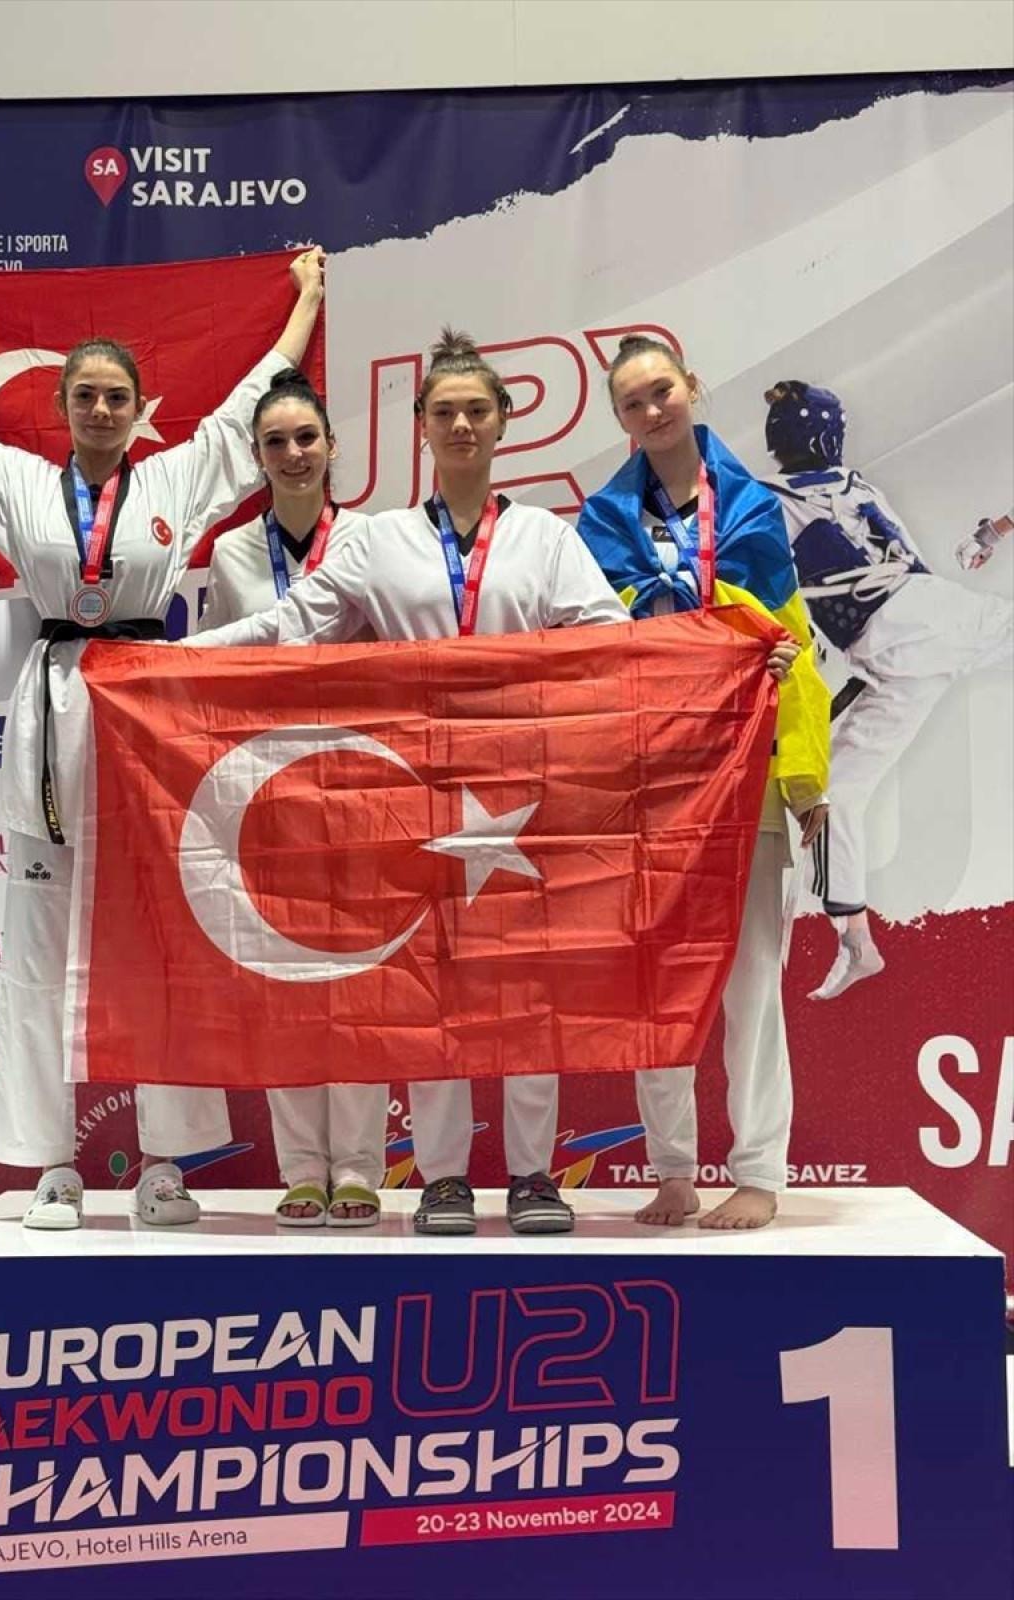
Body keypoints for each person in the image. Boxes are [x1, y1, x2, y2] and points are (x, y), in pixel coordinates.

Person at [0, 251, 326, 1230]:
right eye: (86, 396)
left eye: (117, 396)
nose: (102, 410)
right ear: (62, 407)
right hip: (52, 712)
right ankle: (53, 1165)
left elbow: (251, 402)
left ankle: (166, 1163)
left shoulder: (177, 475)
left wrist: (305, 302)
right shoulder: (20, 482)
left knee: (157, 939)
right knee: (39, 942)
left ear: (142, 408)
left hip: (146, 712)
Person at [191, 330, 648, 1237]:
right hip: (420, 795)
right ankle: (443, 1178)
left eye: (477, 410)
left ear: (505, 421)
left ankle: (532, 1174)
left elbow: (610, 641)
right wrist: (174, 657)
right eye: (445, 412)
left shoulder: (546, 537)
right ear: (421, 427)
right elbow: (287, 625)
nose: (462, 425)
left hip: (525, 794)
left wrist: (718, 649)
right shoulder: (383, 542)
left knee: (528, 986)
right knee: (433, 990)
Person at [578, 334, 825, 1230]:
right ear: (620, 419)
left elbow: (794, 648)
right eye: (633, 402)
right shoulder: (601, 525)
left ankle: (758, 1172)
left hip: (746, 775)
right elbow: (591, 652)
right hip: (651, 781)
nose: (652, 411)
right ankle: (674, 1170)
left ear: (692, 387)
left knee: (753, 981)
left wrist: (805, 777)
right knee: (657, 984)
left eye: (662, 391)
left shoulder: (752, 509)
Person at [202, 366, 386, 1229]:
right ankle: (303, 1169)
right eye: (274, 441)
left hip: (360, 780)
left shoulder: (374, 540)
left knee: (357, 982)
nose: (293, 453)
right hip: (267, 789)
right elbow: (220, 671)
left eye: (306, 437)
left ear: (332, 445)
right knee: (286, 981)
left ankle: (360, 1169)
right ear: (257, 455)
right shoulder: (232, 554)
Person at [762, 379, 1013, 999]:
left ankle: (855, 942)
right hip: (910, 639)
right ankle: (857, 944)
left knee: (833, 793)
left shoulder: (768, 502)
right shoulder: (853, 486)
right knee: (834, 794)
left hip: (900, 629)